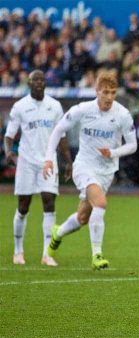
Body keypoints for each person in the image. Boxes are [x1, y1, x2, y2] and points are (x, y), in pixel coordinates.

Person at [43, 71, 137, 270]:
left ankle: (57, 233)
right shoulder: (83, 109)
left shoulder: (122, 114)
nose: (109, 97)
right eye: (105, 92)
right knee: (101, 203)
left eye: (113, 92)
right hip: (84, 166)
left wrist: (112, 152)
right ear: (96, 91)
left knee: (83, 218)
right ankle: (97, 255)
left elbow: (133, 145)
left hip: (106, 172)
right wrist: (49, 159)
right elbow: (59, 129)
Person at [3, 70, 72, 266]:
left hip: (48, 162)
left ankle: (46, 254)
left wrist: (68, 161)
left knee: (49, 203)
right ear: (29, 83)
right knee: (23, 206)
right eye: (35, 80)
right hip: (26, 162)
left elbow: (62, 137)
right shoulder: (20, 107)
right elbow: (9, 135)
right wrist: (8, 152)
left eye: (42, 80)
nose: (39, 83)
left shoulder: (55, 106)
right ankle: (18, 251)